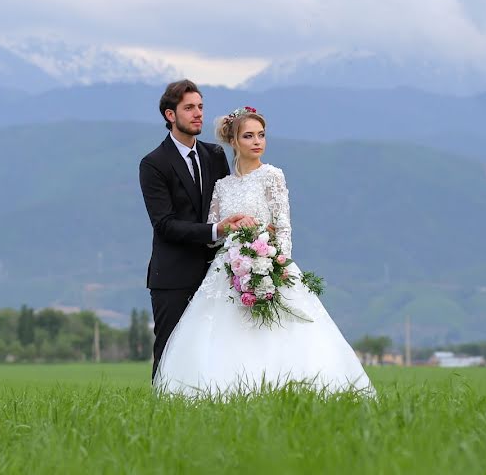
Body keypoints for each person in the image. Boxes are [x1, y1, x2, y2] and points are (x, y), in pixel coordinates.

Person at [153, 106, 373, 396]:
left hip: (270, 263)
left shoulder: (272, 176)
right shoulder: (222, 186)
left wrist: (276, 263)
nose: (257, 142)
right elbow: (211, 237)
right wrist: (230, 229)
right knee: (226, 335)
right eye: (248, 136)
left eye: (261, 135)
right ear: (233, 141)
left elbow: (283, 227)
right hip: (228, 268)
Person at [139, 80, 253, 379]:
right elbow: (163, 225)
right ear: (170, 115)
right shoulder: (153, 164)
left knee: (214, 352)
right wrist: (216, 229)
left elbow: (226, 203)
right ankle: (160, 412)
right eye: (189, 108)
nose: (198, 113)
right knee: (170, 352)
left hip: (215, 274)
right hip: (173, 276)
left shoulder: (214, 155)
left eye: (200, 107)